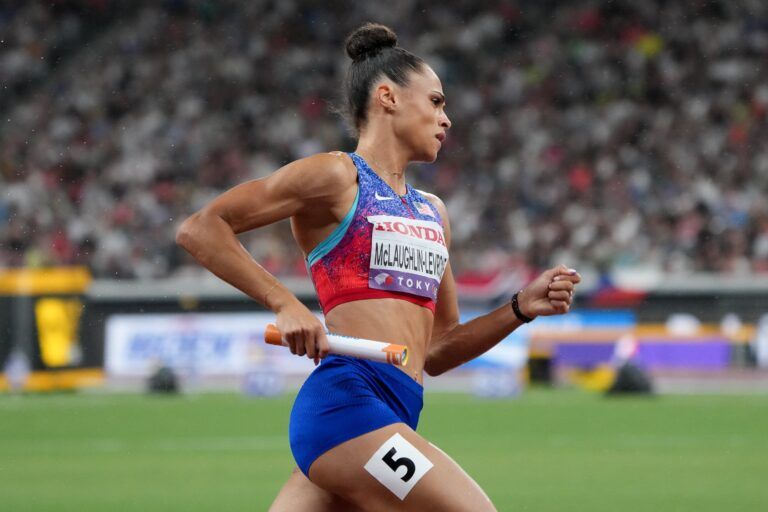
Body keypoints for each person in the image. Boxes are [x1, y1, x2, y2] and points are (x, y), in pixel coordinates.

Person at [176, 22, 581, 512]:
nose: (446, 118)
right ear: (388, 97)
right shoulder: (335, 177)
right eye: (436, 101)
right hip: (346, 406)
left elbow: (436, 350)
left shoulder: (433, 212)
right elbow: (201, 228)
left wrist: (519, 308)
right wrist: (285, 303)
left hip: (395, 411)